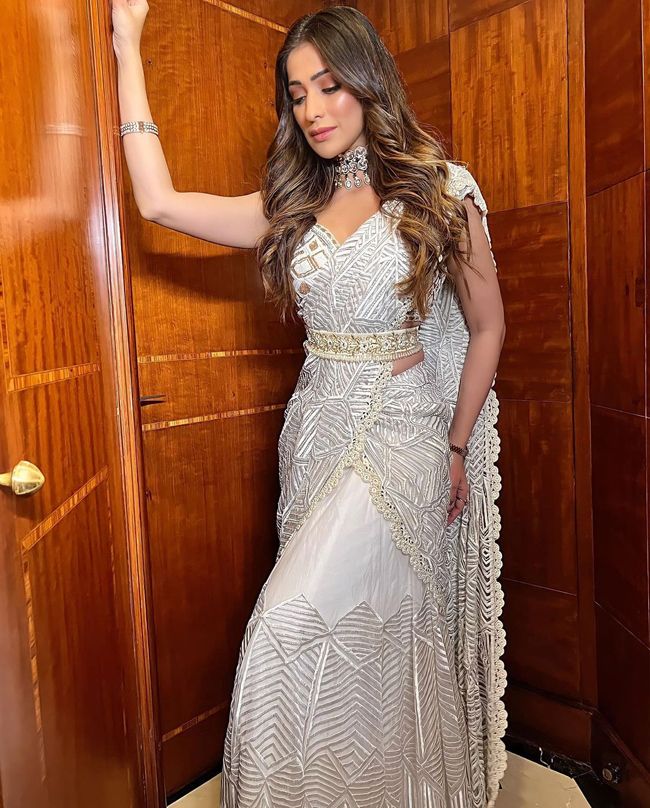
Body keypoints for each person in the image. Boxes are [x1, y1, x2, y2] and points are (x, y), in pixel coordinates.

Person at [112, 2, 507, 806]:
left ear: (368, 81)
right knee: (359, 639)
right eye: (297, 95)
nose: (314, 110)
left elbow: (488, 326)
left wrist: (458, 445)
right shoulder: (291, 204)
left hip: (402, 440)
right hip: (314, 435)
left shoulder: (440, 190)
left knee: (288, 624)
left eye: (329, 86)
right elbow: (157, 203)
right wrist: (126, 43)